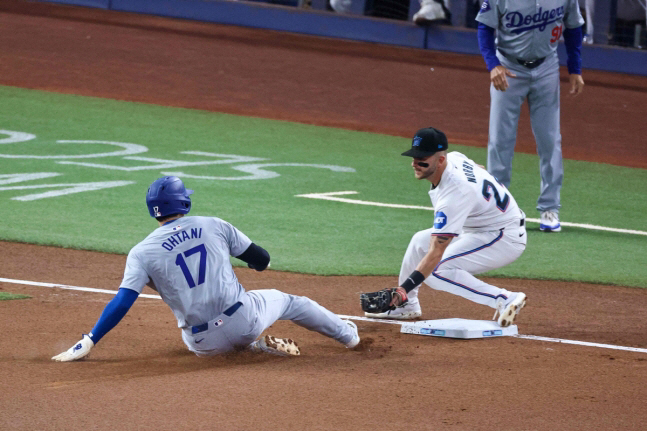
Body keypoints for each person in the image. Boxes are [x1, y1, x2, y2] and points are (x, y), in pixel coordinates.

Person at [52, 176, 359, 361]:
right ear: (183, 202)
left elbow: (122, 301)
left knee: (210, 332)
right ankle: (349, 337)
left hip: (202, 345)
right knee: (292, 302)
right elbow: (262, 260)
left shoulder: (141, 252)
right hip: (245, 319)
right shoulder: (213, 225)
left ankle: (253, 350)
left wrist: (91, 339)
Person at [364, 127, 527, 327]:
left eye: (423, 158)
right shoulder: (455, 158)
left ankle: (504, 299)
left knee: (438, 271)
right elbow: (480, 168)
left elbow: (436, 251)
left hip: (503, 238)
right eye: (414, 157)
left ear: (441, 160)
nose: (415, 163)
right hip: (484, 228)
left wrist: (403, 289)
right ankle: (407, 306)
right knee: (419, 242)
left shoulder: (454, 194)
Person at [476, 0, 585, 232]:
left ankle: (550, 207)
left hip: (546, 68)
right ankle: (498, 206)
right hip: (508, 67)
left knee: (549, 139)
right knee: (500, 138)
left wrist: (575, 68)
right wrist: (492, 64)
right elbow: (485, 28)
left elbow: (574, 28)